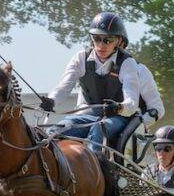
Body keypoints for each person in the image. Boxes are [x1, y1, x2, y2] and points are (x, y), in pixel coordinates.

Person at [40, 12, 151, 152]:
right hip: (88, 115)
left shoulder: (127, 63)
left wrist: (119, 107)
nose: (101, 45)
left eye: (108, 40)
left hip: (118, 118)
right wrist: (52, 100)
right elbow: (63, 88)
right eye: (97, 38)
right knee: (53, 131)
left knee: (99, 129)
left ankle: (98, 165)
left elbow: (132, 103)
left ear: (118, 41)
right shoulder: (81, 58)